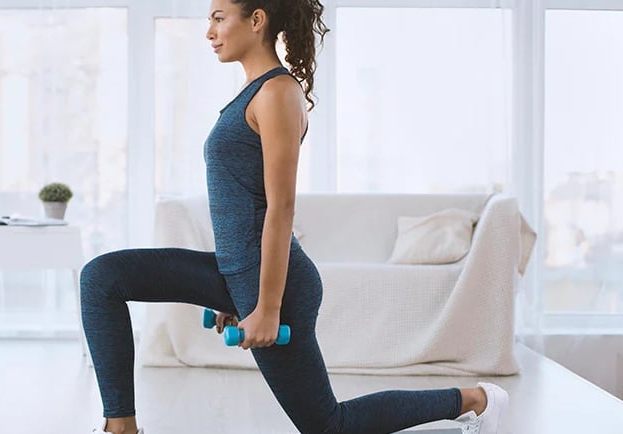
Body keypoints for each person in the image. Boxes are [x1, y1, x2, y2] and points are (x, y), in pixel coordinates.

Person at [80, 1, 509, 433]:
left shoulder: (278, 93)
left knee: (327, 426)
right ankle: (121, 427)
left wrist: (266, 306)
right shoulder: (252, 93)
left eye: (218, 17)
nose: (209, 31)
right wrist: (233, 294)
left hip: (276, 285)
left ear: (257, 19)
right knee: (102, 278)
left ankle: (475, 399)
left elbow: (281, 207)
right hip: (238, 274)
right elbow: (238, 205)